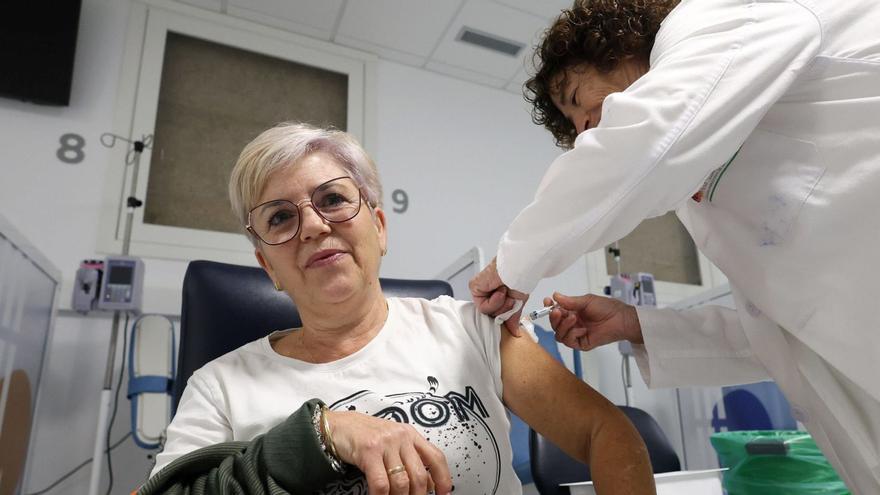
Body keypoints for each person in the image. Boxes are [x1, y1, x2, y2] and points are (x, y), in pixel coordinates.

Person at [469, 0, 880, 493]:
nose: (584, 132)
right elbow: (777, 332)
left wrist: (513, 263)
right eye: (575, 126)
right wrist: (635, 325)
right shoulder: (708, 185)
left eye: (580, 101)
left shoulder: (719, 17)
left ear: (619, 47)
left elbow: (647, 139)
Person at [146, 122, 655, 495]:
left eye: (333, 199)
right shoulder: (218, 387)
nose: (315, 226)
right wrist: (322, 434)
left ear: (380, 227)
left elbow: (604, 433)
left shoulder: (467, 331)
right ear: (268, 267)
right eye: (280, 217)